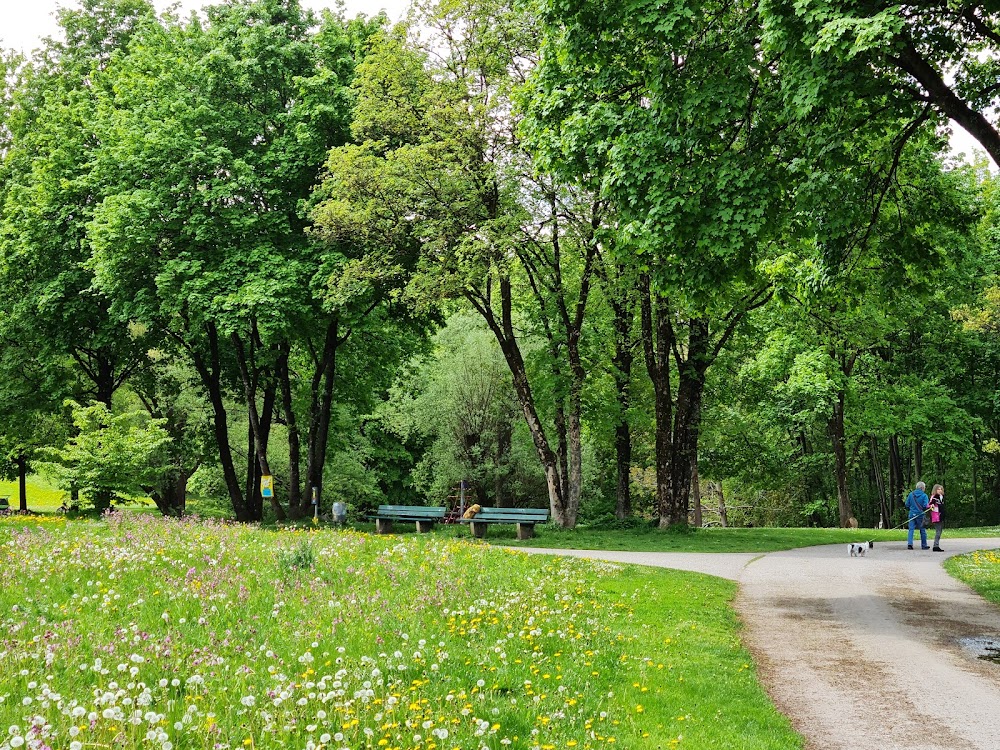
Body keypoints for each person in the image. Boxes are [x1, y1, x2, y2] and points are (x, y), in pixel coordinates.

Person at [905, 481, 930, 550]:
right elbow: (925, 506)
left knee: (911, 530)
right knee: (922, 530)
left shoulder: (911, 494)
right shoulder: (924, 496)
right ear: (922, 488)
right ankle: (924, 545)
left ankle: (910, 544)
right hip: (920, 515)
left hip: (912, 515)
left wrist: (912, 509)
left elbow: (907, 504)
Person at [928, 484, 945, 552]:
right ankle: (936, 546)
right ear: (935, 490)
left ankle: (936, 545)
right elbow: (931, 503)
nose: (940, 490)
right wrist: (931, 505)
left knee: (939, 531)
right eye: (938, 489)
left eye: (941, 489)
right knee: (938, 531)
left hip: (940, 516)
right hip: (936, 516)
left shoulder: (941, 497)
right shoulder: (934, 497)